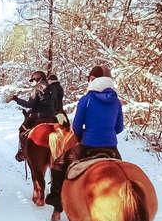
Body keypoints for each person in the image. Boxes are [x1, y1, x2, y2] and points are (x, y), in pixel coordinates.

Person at [45, 65, 124, 211]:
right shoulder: (116, 101)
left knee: (58, 164)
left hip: (88, 145)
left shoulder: (86, 99)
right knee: (124, 173)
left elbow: (76, 126)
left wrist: (83, 137)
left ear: (93, 80)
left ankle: (56, 198)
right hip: (112, 147)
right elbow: (119, 128)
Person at [11, 70, 57, 161]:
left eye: (33, 80)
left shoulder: (36, 89)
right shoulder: (53, 88)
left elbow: (29, 104)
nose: (33, 82)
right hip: (53, 118)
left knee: (22, 130)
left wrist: (17, 99)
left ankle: (23, 152)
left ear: (38, 79)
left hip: (39, 118)